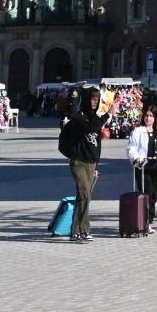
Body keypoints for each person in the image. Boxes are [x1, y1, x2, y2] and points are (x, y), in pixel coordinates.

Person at [59, 87, 104, 243]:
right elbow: (90, 128)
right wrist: (109, 114)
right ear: (86, 100)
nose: (95, 102)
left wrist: (96, 165)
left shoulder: (94, 117)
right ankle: (80, 229)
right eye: (92, 99)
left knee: (84, 197)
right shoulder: (79, 117)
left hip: (91, 164)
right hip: (79, 163)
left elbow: (97, 145)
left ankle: (80, 230)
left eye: (97, 99)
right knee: (84, 194)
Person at [125, 104, 157, 208]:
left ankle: (147, 218)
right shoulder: (138, 131)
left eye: (151, 116)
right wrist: (137, 158)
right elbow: (131, 148)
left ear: (155, 117)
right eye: (146, 115)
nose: (148, 118)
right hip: (143, 166)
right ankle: (147, 220)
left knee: (154, 195)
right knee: (147, 194)